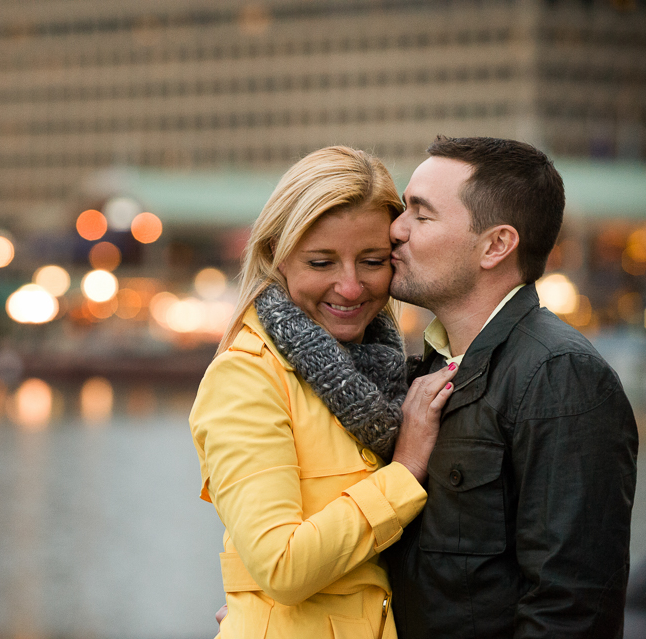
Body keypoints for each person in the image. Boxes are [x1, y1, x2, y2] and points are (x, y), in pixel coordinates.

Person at [189, 146, 457, 638]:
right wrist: (406, 470)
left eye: (372, 261)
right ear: (275, 255)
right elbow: (282, 566)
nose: (351, 287)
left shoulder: (389, 376)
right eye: (321, 262)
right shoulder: (245, 378)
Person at [384, 136, 639, 638]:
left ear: (496, 245)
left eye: (421, 213)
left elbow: (569, 612)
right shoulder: (427, 368)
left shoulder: (559, 375)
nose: (395, 229)